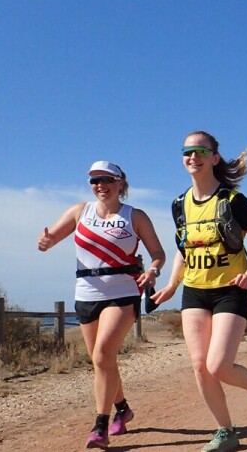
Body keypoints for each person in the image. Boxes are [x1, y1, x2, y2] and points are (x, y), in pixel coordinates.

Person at [150, 131, 247, 452]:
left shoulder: (233, 201)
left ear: (214, 157)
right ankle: (226, 431)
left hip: (231, 290)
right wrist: (171, 283)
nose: (192, 156)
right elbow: (184, 248)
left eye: (200, 150)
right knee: (199, 366)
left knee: (219, 366)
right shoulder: (179, 204)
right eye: (187, 151)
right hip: (195, 292)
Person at [37, 161, 166, 449]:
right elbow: (52, 237)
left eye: (107, 179)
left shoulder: (136, 216)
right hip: (86, 294)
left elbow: (158, 253)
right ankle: (122, 408)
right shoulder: (78, 211)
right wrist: (45, 241)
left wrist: (153, 270)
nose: (100, 185)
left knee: (103, 354)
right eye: (95, 181)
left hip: (122, 291)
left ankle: (100, 426)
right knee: (102, 361)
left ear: (121, 183)